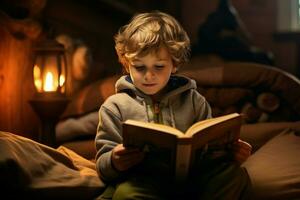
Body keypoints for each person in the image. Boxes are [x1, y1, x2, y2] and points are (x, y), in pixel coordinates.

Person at [95, 10, 252, 200]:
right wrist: (114, 161)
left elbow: (210, 153)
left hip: (193, 180)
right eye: (139, 67)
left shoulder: (194, 100)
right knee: (125, 194)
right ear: (127, 64)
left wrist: (231, 155)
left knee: (235, 177)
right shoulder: (114, 106)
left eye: (159, 67)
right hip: (143, 183)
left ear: (175, 64)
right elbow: (103, 166)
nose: (149, 75)